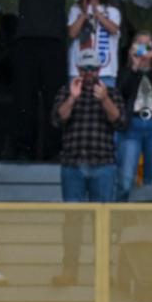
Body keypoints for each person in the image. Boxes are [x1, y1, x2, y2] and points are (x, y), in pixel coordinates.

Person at [9, 0, 75, 161]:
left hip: (53, 45)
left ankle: (53, 150)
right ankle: (23, 149)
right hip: (26, 45)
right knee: (24, 100)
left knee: (54, 100)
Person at [54, 52, 124, 204]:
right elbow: (58, 120)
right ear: (78, 69)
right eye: (85, 68)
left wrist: (105, 99)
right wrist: (72, 98)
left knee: (102, 218)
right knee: (73, 219)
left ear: (99, 70)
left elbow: (119, 122)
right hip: (73, 164)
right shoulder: (66, 90)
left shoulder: (111, 92)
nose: (89, 72)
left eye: (92, 68)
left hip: (103, 164)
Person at [116, 36, 152, 195]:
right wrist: (134, 65)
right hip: (132, 126)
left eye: (148, 45)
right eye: (139, 45)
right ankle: (121, 217)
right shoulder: (127, 70)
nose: (144, 50)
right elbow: (119, 92)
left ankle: (148, 218)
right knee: (126, 181)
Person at [66, 0, 123, 88]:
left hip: (105, 71)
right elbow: (72, 33)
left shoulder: (112, 11)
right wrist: (84, 13)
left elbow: (113, 29)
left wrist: (97, 13)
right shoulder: (75, 9)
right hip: (79, 71)